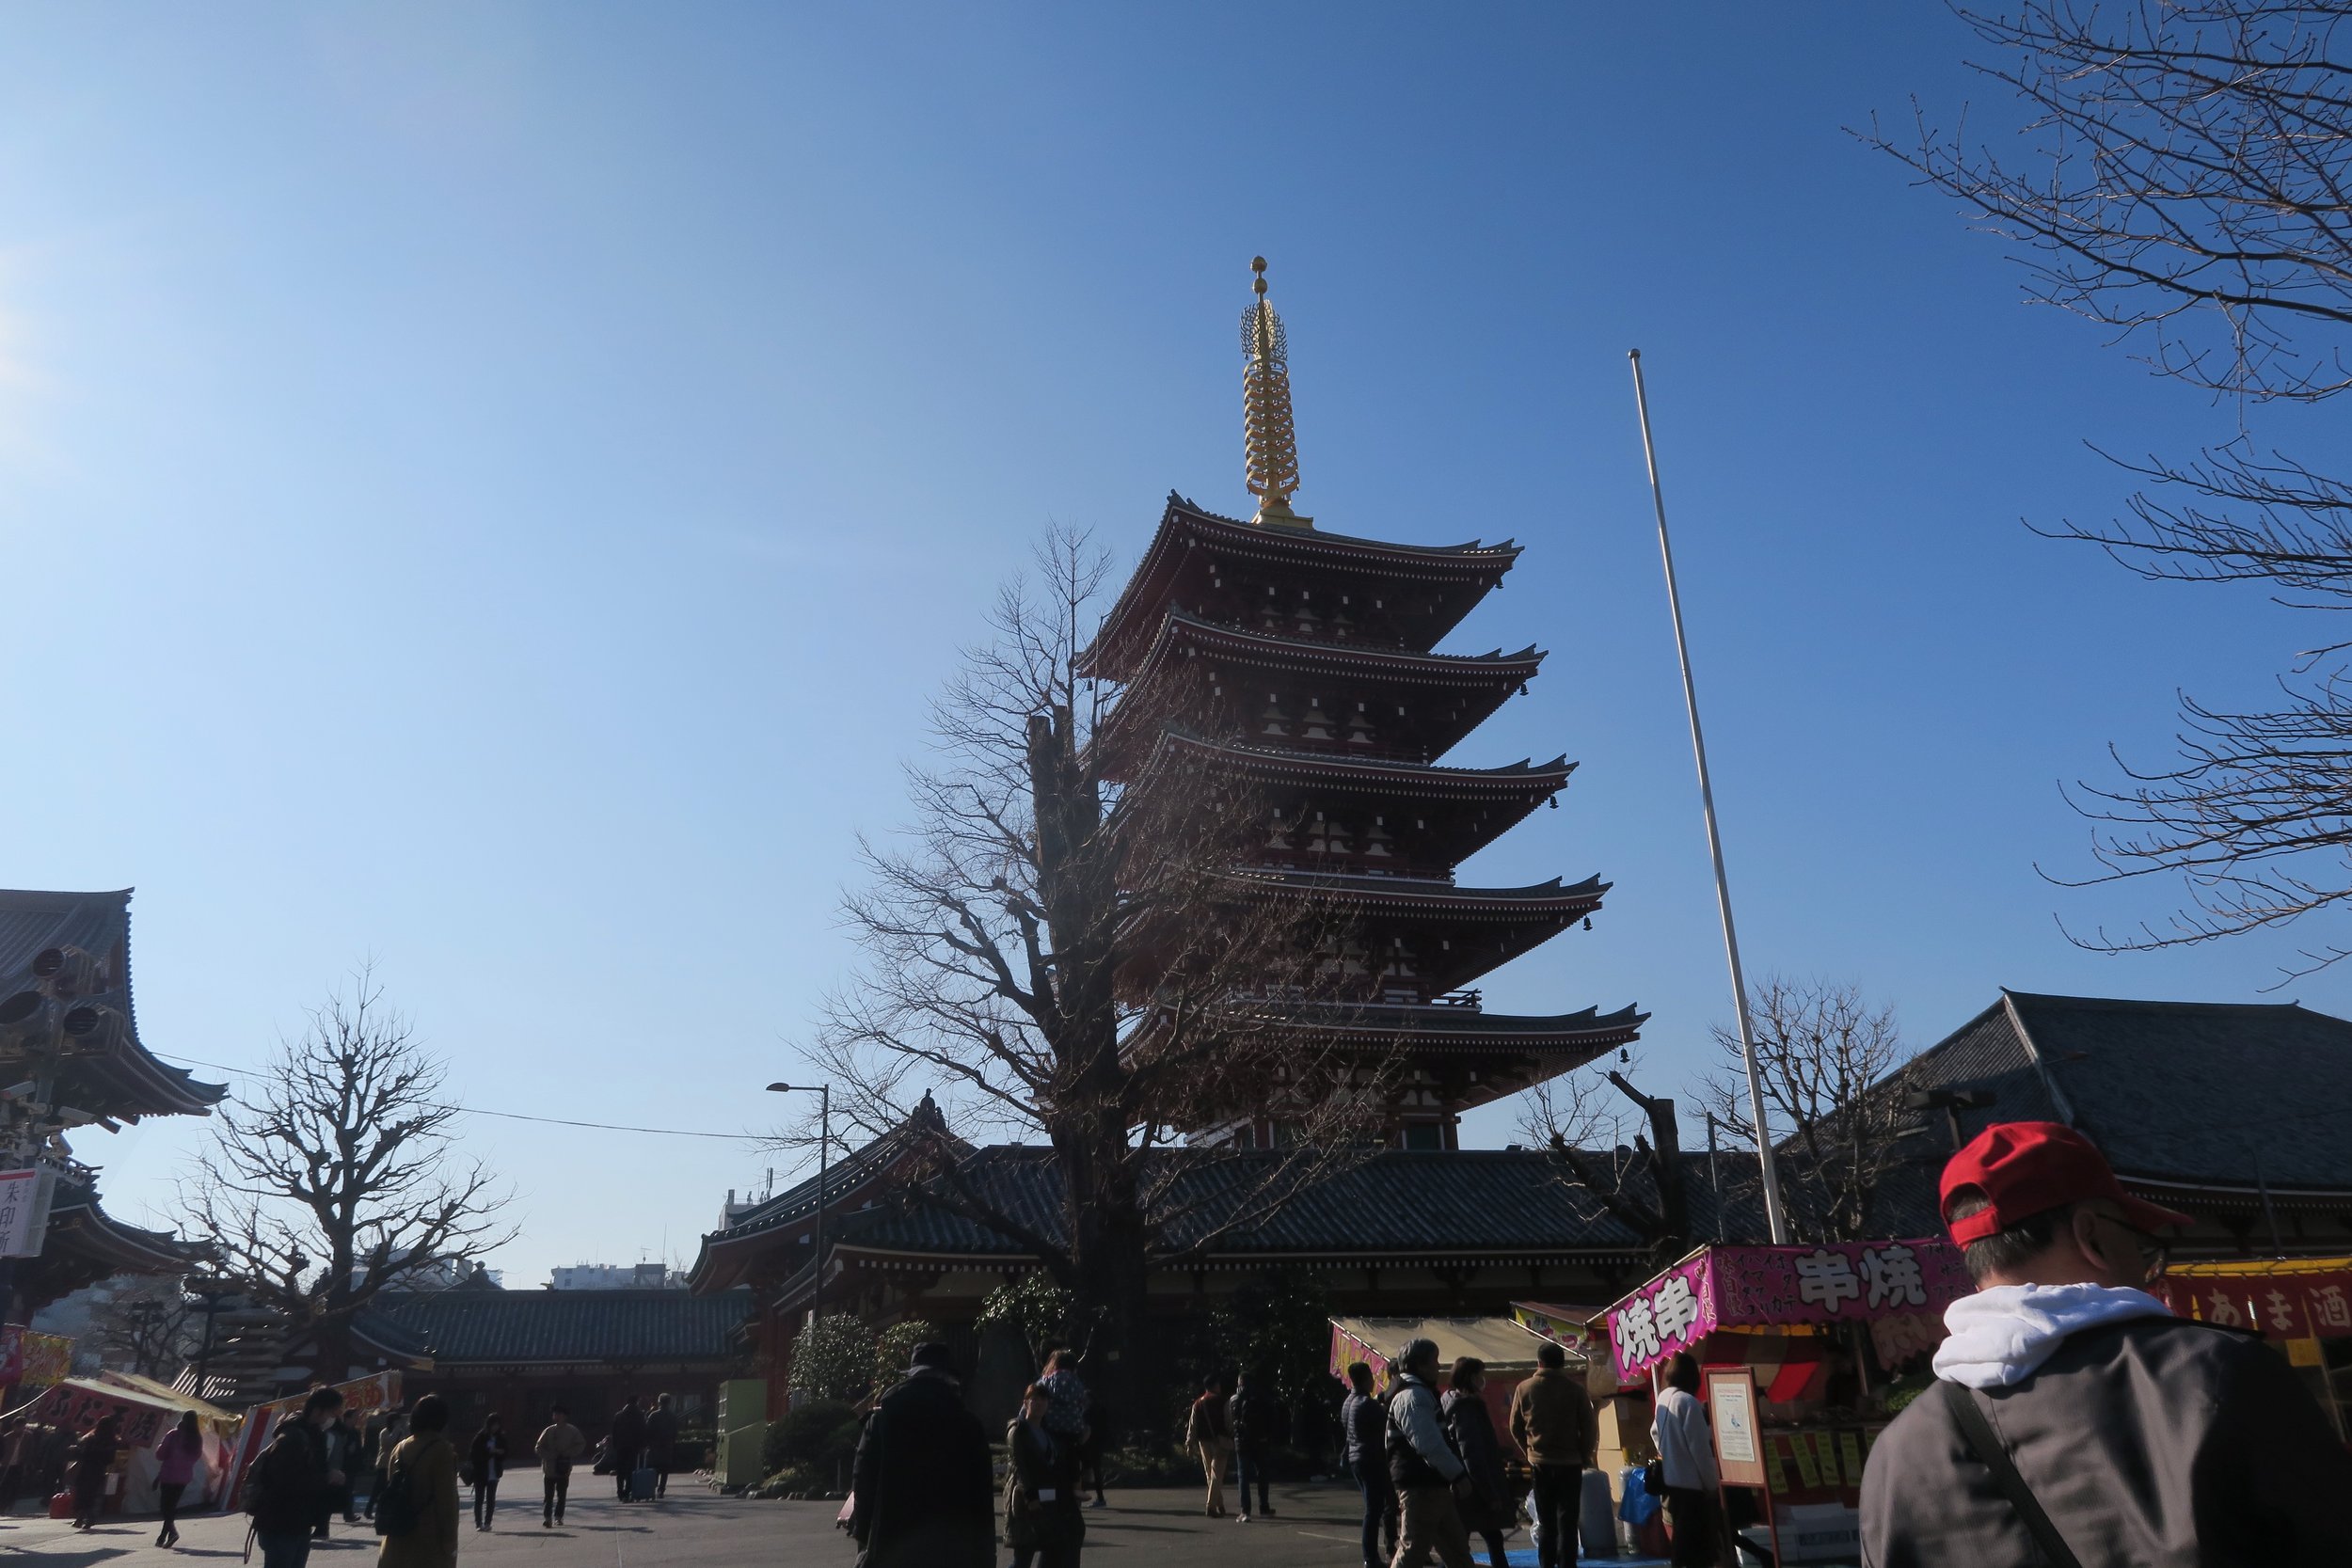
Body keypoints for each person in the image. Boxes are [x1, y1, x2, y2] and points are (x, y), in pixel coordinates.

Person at [1862, 1119, 2352, 1567]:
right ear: (2092, 1236)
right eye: (2140, 1244)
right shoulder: (2217, 1375)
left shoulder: (1897, 1453)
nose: (2144, 1267)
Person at [847, 1342, 993, 1568]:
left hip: (891, 1541)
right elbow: (981, 1496)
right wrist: (984, 1555)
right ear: (949, 1378)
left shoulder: (881, 1421)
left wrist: (865, 1538)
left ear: (911, 1375)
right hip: (952, 1546)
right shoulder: (968, 1425)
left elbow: (863, 1482)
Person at [1386, 1337, 1473, 1568]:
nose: (1438, 1366)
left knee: (1458, 1552)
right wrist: (1457, 1474)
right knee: (1413, 1551)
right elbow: (1428, 1443)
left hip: (1432, 1486)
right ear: (1419, 1365)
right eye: (1434, 1360)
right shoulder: (1412, 1396)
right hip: (1421, 1487)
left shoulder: (1415, 1392)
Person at [1508, 1338, 1594, 1568]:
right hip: (1570, 1462)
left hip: (1540, 1462)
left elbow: (1514, 1425)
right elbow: (1588, 1427)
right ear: (1562, 1363)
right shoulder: (1575, 1389)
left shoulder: (1524, 1388)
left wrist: (1528, 1450)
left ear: (1539, 1362)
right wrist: (1585, 1455)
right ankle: (1568, 1564)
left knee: (1546, 1522)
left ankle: (1546, 1564)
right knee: (1567, 1521)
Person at [248, 1385, 346, 1568]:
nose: (333, 1418)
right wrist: (326, 1478)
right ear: (317, 1410)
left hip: (299, 1521)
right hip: (281, 1521)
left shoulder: (313, 1436)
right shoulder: (292, 1438)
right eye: (332, 1413)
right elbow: (284, 1482)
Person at [1005, 1381, 1085, 1568]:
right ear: (1025, 1403)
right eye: (1034, 1399)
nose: (1039, 1404)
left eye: (1043, 1400)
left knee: (1049, 1550)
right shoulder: (1018, 1430)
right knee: (1023, 1556)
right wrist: (1031, 1496)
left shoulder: (1048, 1433)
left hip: (1048, 1500)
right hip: (1025, 1498)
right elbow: (1019, 1465)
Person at [1650, 1352, 1718, 1568]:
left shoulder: (1663, 1397)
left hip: (1672, 1482)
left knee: (1681, 1543)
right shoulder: (1688, 1402)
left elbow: (1654, 1432)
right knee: (1698, 1548)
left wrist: (1667, 1452)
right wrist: (1712, 1483)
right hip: (1692, 1485)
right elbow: (1700, 1449)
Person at [1441, 1359, 1511, 1568]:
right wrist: (1490, 1493)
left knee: (1465, 1539)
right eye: (1481, 1374)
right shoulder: (1466, 1408)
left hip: (1462, 1482)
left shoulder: (1449, 1401)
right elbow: (1471, 1451)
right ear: (1471, 1377)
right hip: (1474, 1485)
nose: (1483, 1380)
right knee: (1485, 1537)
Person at [377, 1392, 460, 1568]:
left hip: (396, 1538)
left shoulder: (399, 1448)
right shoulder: (441, 1450)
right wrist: (450, 1542)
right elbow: (447, 1502)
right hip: (428, 1542)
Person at [1342, 1364, 1399, 1568]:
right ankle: (1371, 1556)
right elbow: (1389, 1421)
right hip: (1371, 1459)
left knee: (1373, 1508)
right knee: (1375, 1509)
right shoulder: (1366, 1403)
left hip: (1355, 1458)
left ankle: (1372, 1555)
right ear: (1367, 1378)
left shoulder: (1348, 1402)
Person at [1230, 1369, 1278, 1522]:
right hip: (1261, 1441)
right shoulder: (1263, 1397)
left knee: (1243, 1475)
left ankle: (1245, 1511)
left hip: (1242, 1442)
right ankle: (1264, 1507)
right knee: (1262, 1474)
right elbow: (1272, 1418)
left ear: (1239, 1383)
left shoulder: (1234, 1399)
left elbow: (1233, 1421)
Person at [1183, 1376, 1232, 1518]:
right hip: (1220, 1441)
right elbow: (1229, 1422)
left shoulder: (1198, 1403)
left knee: (1210, 1474)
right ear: (1216, 1385)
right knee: (1217, 1474)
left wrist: (1189, 1443)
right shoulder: (1223, 1401)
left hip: (1203, 1442)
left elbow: (1193, 1425)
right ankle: (1210, 1506)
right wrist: (1232, 1435)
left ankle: (1219, 1504)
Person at [155, 1410, 204, 1549]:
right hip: (184, 1477)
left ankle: (172, 1532)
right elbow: (196, 1457)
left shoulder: (174, 1434)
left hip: (169, 1475)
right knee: (172, 1506)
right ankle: (162, 1537)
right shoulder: (197, 1438)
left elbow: (160, 1454)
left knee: (165, 1507)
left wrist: (160, 1448)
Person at [533, 1403, 586, 1528]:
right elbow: (538, 1447)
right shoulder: (548, 1430)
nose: (556, 1416)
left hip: (563, 1467)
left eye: (559, 1414)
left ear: (564, 1416)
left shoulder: (572, 1430)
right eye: (555, 1414)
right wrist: (549, 1455)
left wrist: (568, 1453)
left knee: (561, 1494)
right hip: (549, 1468)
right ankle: (547, 1517)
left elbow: (581, 1444)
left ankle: (558, 1516)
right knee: (548, 1495)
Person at [68, 1412, 119, 1531]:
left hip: (86, 1468)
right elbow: (110, 1459)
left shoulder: (91, 1438)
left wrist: (75, 1450)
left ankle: (85, 1517)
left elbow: (84, 1454)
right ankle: (84, 1518)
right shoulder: (113, 1441)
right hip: (99, 1469)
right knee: (92, 1494)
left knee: (82, 1493)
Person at [467, 1412, 506, 1531]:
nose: (496, 1427)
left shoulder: (500, 1437)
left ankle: (488, 1522)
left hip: (494, 1472)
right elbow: (474, 1454)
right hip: (480, 1472)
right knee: (479, 1499)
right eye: (493, 1425)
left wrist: (500, 1452)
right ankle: (479, 1523)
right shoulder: (481, 1437)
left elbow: (506, 1451)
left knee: (491, 1499)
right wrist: (489, 1452)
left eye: (497, 1425)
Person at [606, 1395, 646, 1500]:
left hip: (620, 1446)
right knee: (631, 1470)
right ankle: (627, 1491)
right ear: (637, 1402)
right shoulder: (640, 1415)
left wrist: (615, 1445)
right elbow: (642, 1431)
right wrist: (642, 1445)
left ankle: (620, 1491)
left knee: (620, 1470)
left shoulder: (619, 1415)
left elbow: (614, 1432)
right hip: (633, 1446)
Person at [644, 1393, 678, 1498]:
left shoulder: (653, 1415)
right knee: (664, 1469)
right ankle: (661, 1490)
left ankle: (651, 1488)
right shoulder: (673, 1416)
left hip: (654, 1445)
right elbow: (675, 1432)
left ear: (659, 1402)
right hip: (667, 1445)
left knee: (653, 1468)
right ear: (669, 1402)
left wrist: (647, 1443)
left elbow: (647, 1431)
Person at [336, 1412, 366, 1523]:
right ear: (347, 1418)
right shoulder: (340, 1430)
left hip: (351, 1465)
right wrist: (346, 1450)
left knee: (349, 1489)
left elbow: (359, 1449)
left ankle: (348, 1514)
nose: (357, 1419)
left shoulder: (356, 1432)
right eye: (355, 1417)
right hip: (340, 1464)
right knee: (341, 1490)